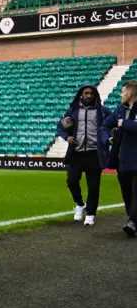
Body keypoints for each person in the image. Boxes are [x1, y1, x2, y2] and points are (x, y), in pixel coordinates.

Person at [57, 83, 112, 226]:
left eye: (91, 93)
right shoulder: (72, 111)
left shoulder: (103, 111)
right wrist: (66, 137)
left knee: (94, 186)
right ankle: (80, 204)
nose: (89, 96)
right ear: (81, 95)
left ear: (95, 95)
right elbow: (60, 127)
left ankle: (91, 214)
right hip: (76, 153)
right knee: (71, 181)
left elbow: (112, 127)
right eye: (86, 93)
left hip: (95, 154)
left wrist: (109, 138)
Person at [101, 80, 137, 237]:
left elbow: (127, 125)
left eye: (122, 91)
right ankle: (134, 220)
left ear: (130, 93)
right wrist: (108, 138)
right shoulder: (119, 110)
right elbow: (103, 126)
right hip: (123, 160)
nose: (121, 94)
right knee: (127, 194)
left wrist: (125, 124)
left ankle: (133, 222)